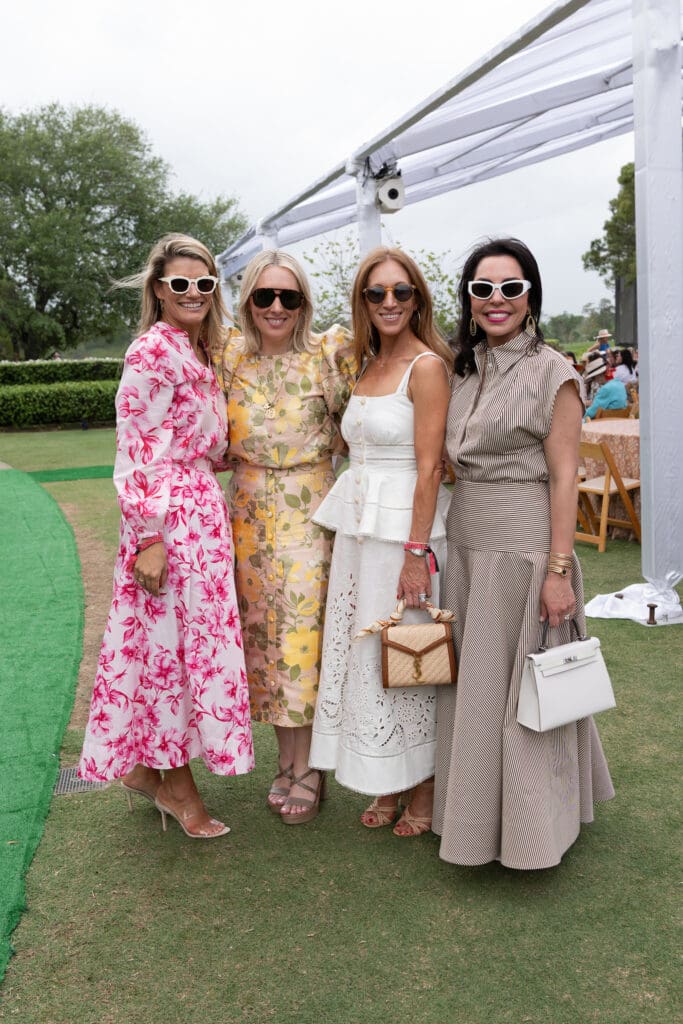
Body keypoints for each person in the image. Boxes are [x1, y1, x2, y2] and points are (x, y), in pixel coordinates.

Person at [432, 238, 614, 869]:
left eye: (511, 287)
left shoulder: (554, 371)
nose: (497, 300)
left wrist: (559, 570)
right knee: (475, 690)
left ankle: (533, 835)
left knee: (527, 697)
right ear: (470, 300)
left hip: (526, 548)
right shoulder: (465, 365)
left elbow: (564, 476)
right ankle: (474, 823)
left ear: (531, 294)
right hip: (468, 546)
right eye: (483, 289)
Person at [79, 234, 254, 839]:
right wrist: (149, 536)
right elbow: (136, 449)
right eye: (181, 283)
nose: (194, 293)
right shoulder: (151, 351)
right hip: (169, 521)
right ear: (159, 290)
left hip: (202, 514)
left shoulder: (198, 352)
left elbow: (197, 439)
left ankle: (153, 775)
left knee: (189, 653)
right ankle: (177, 791)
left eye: (205, 283)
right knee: (166, 656)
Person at [309, 247, 453, 837]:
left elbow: (430, 467)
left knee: (412, 651)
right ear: (362, 302)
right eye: (376, 293)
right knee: (372, 656)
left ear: (417, 298)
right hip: (361, 535)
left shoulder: (426, 366)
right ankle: (388, 781)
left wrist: (417, 553)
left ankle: (424, 785)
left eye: (400, 291)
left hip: (405, 536)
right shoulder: (367, 363)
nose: (389, 302)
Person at [216, 251, 356, 824]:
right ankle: (287, 761)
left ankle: (311, 767)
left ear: (304, 303)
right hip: (247, 517)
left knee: (305, 639)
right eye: (264, 296)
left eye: (289, 297)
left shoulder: (329, 353)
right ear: (248, 301)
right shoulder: (230, 357)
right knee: (265, 642)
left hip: (312, 513)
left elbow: (360, 426)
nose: (277, 307)